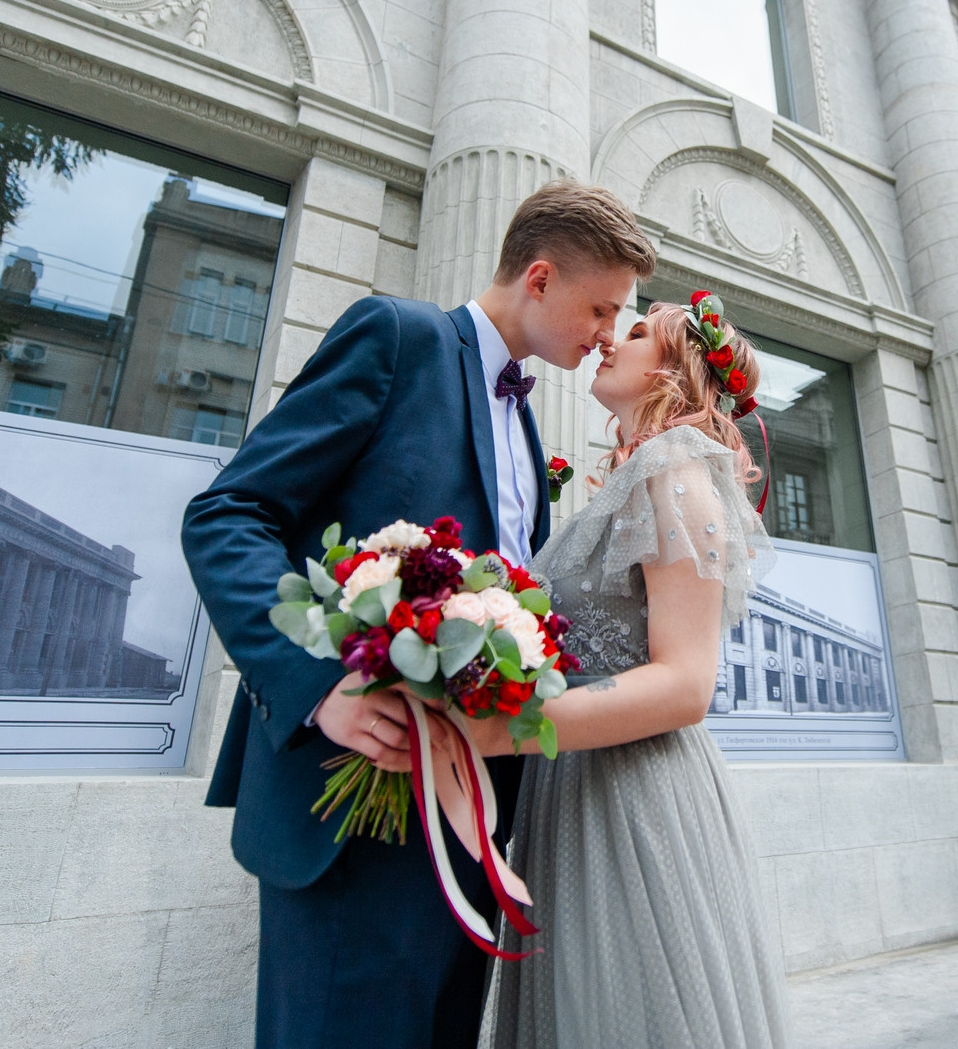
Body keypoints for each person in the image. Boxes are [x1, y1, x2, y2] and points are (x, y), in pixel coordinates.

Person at [180, 179, 657, 1049]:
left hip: (469, 830)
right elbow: (229, 516)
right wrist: (321, 684)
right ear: (540, 278)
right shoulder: (396, 337)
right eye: (601, 308)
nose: (604, 337)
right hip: (348, 812)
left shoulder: (525, 428)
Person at [468, 295, 790, 1049]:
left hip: (637, 795)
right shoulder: (630, 477)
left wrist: (500, 728)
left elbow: (686, 684)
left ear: (676, 369)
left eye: (638, 331)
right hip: (576, 787)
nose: (611, 337)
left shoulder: (673, 466)